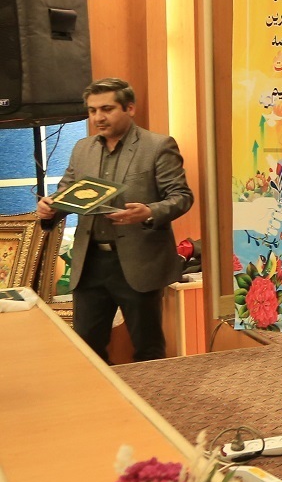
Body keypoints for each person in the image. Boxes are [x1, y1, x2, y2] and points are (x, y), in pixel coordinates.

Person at [39, 78, 193, 363]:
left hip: (139, 262)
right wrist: (50, 209)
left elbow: (181, 197)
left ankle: (152, 393)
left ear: (129, 108)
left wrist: (148, 212)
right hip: (90, 264)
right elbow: (66, 194)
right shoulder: (82, 148)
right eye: (92, 110)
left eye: (107, 109)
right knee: (87, 350)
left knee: (148, 350)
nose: (98, 117)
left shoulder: (158, 146)